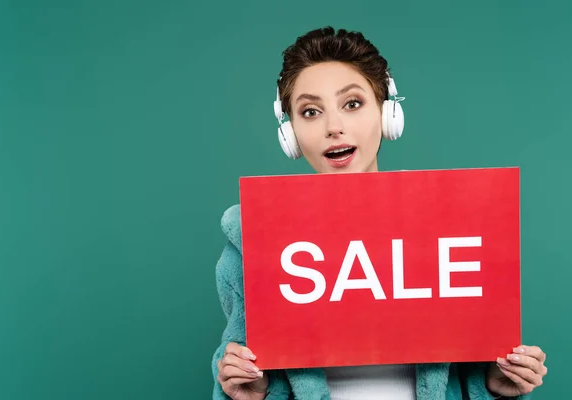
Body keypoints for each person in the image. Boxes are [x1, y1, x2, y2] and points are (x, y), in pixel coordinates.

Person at [211, 26, 547, 400]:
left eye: (352, 104)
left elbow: (471, 363)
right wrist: (251, 389)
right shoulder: (252, 240)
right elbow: (244, 367)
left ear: (388, 112)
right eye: (310, 111)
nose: (333, 127)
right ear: (290, 133)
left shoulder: (453, 224)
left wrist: (495, 386)